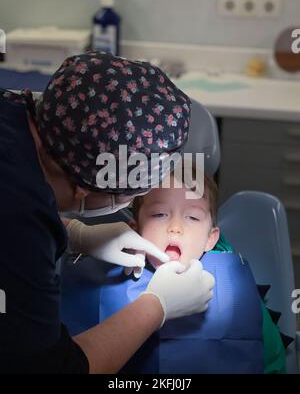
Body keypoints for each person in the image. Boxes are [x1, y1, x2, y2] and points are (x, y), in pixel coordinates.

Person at [0, 52, 215, 374]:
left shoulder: (15, 116)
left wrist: (73, 232)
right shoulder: (19, 218)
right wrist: (155, 307)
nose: (174, 228)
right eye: (135, 197)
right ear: (84, 187)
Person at [78, 168, 285, 374]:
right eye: (159, 214)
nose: (175, 227)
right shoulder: (105, 284)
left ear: (211, 238)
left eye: (193, 217)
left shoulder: (236, 290)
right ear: (135, 229)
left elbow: (271, 358)